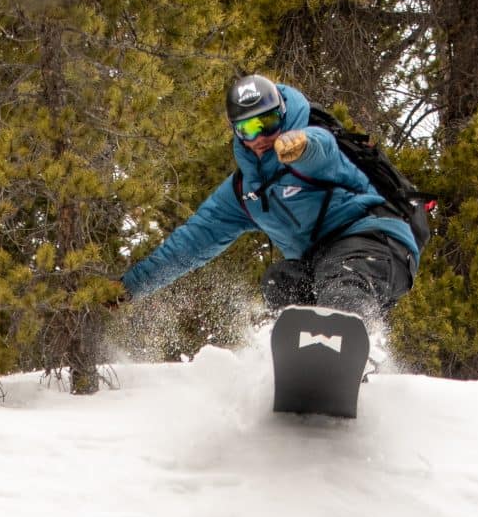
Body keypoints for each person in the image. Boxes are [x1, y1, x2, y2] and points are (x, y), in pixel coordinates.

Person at [120, 74, 418, 330]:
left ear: (283, 113)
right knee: (281, 282)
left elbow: (321, 149)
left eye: (269, 122)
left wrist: (300, 145)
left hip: (377, 242)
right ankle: (308, 371)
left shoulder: (315, 144)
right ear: (237, 133)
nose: (261, 136)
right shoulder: (245, 191)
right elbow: (191, 244)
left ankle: (350, 347)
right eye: (249, 129)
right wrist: (130, 287)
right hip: (321, 260)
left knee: (341, 281)